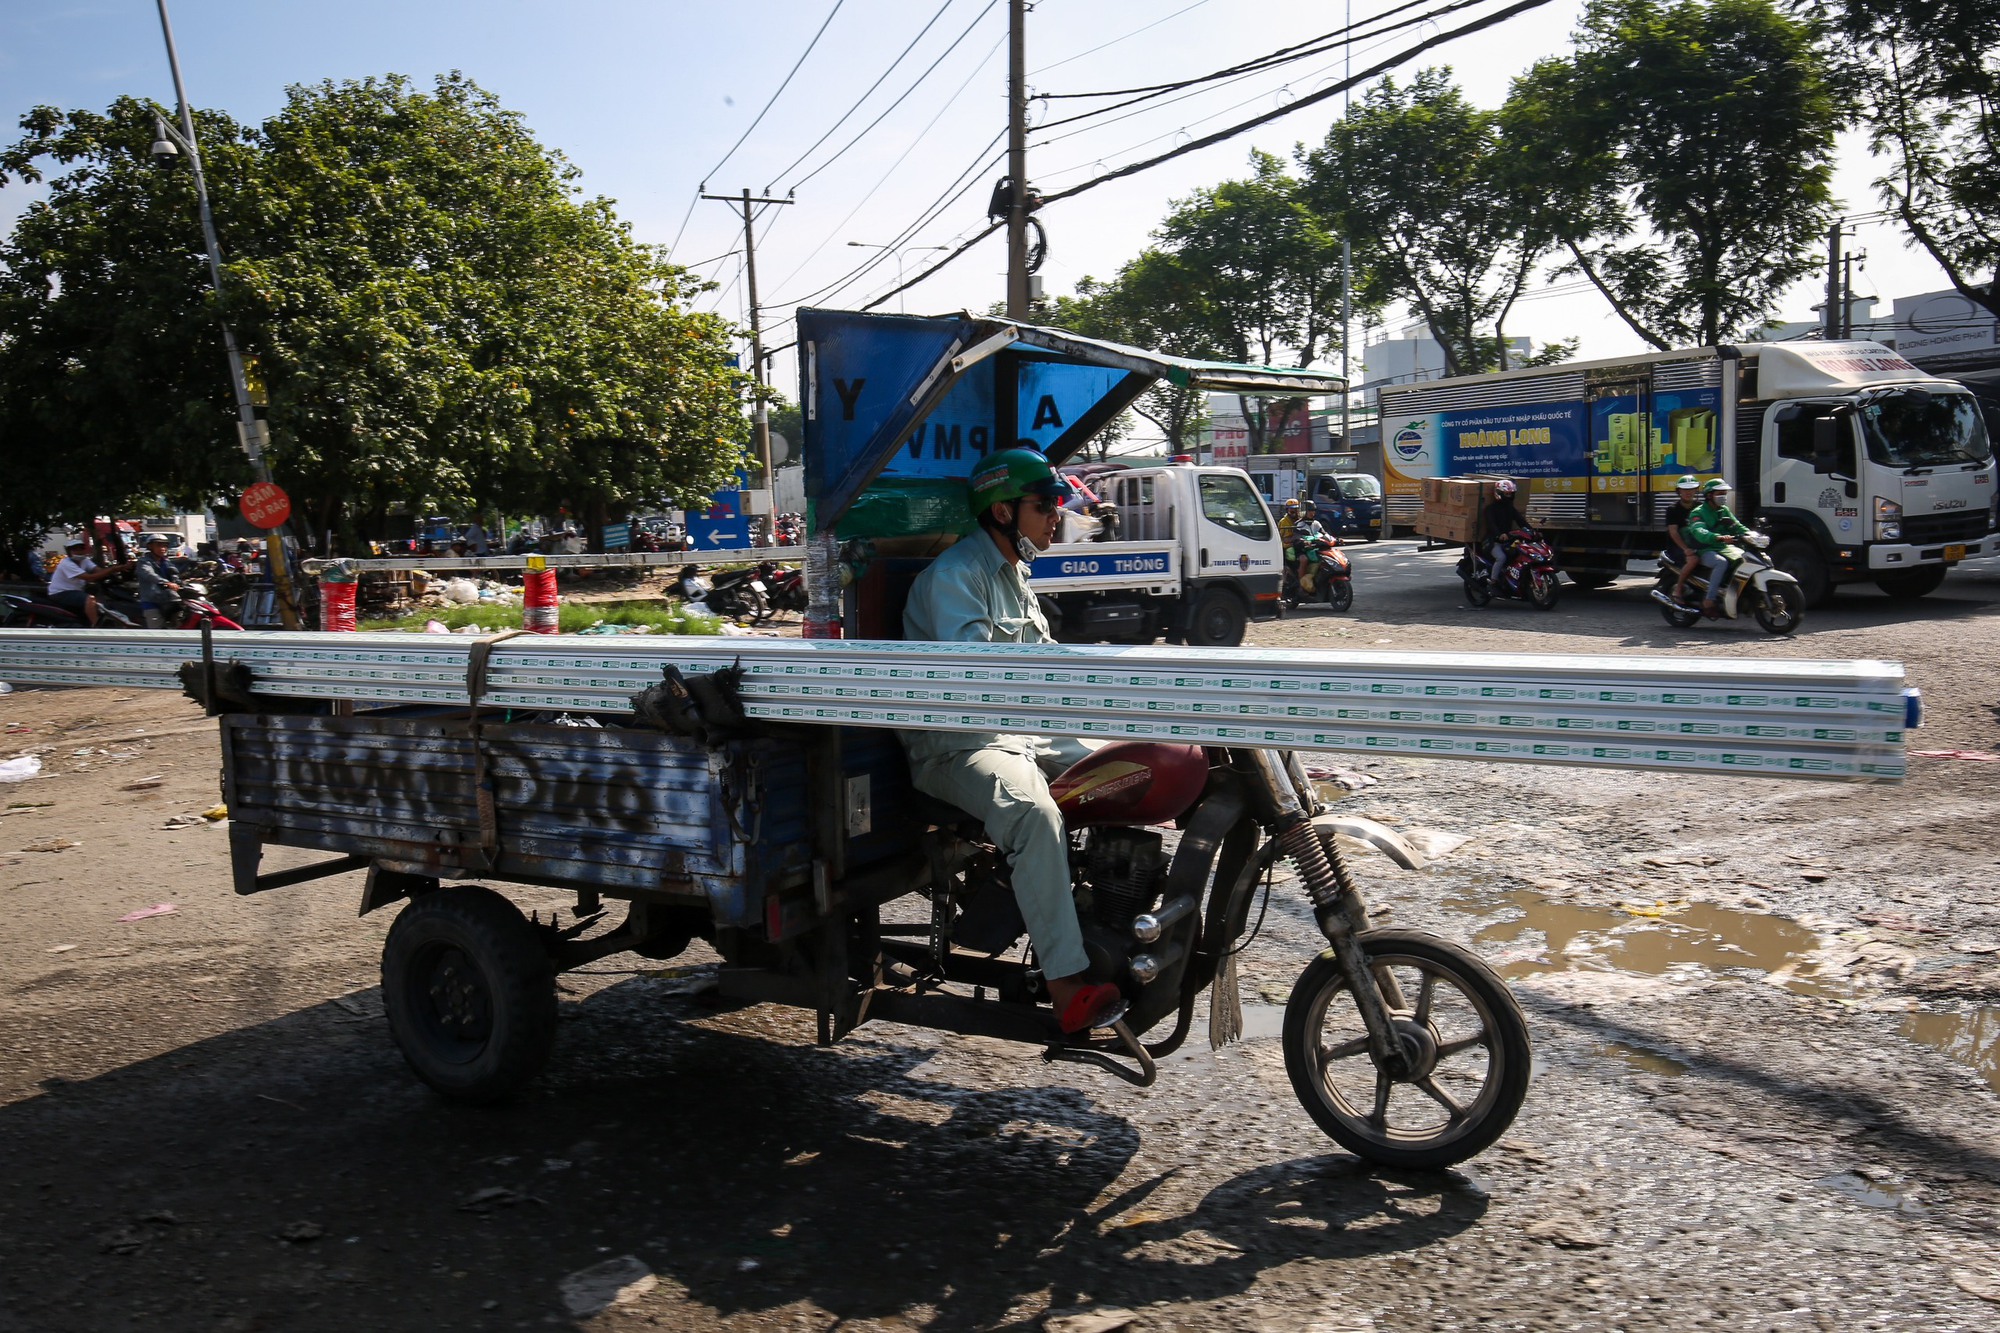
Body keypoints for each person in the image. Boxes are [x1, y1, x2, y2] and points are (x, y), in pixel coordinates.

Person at [900, 447, 1123, 1036]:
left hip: (1022, 732)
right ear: (1002, 512)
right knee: (1032, 816)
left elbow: (1045, 665)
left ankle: (1115, 920)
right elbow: (983, 679)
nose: (1056, 515)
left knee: (1128, 771)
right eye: (1044, 504)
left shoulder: (1015, 575)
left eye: (1056, 504)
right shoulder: (955, 577)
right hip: (959, 745)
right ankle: (1066, 985)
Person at [1685, 478, 1752, 618]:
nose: (1723, 497)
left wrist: (1750, 534)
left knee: (1743, 559)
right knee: (1721, 563)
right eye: (1720, 493)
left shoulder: (1724, 510)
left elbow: (1738, 526)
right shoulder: (1698, 512)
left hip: (1722, 547)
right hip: (1705, 548)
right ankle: (1709, 600)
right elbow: (1699, 531)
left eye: (1725, 493)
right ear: (1709, 495)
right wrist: (1717, 537)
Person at [46, 538, 130, 627]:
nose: (79, 551)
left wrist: (117, 569)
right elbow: (89, 578)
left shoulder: (84, 560)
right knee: (89, 599)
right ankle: (96, 625)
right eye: (75, 549)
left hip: (75, 591)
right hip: (61, 593)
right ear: (69, 551)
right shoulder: (66, 564)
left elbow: (99, 571)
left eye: (81, 549)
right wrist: (112, 569)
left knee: (98, 601)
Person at [1663, 475, 1704, 606]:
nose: (1688, 492)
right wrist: (1686, 549)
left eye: (1691, 489)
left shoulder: (1701, 508)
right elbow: (1673, 532)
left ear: (1696, 490)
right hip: (1678, 547)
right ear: (1678, 491)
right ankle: (1678, 589)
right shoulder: (1673, 509)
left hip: (1697, 544)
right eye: (1684, 489)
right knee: (1693, 560)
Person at [1483, 479, 1529, 585]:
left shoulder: (1510, 508)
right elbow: (1491, 524)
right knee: (1501, 558)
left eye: (1510, 494)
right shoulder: (1490, 509)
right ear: (1498, 493)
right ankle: (1493, 581)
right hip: (1493, 541)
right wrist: (1499, 535)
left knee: (1521, 555)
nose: (1509, 496)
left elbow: (1520, 520)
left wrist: (1531, 530)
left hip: (1509, 540)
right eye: (1506, 494)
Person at [134, 534, 185, 629]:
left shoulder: (166, 562)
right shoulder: (143, 562)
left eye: (165, 545)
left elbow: (175, 575)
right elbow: (149, 574)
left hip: (170, 599)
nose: (163, 548)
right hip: (152, 601)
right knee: (157, 631)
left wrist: (185, 582)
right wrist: (166, 583)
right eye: (158, 545)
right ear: (150, 547)